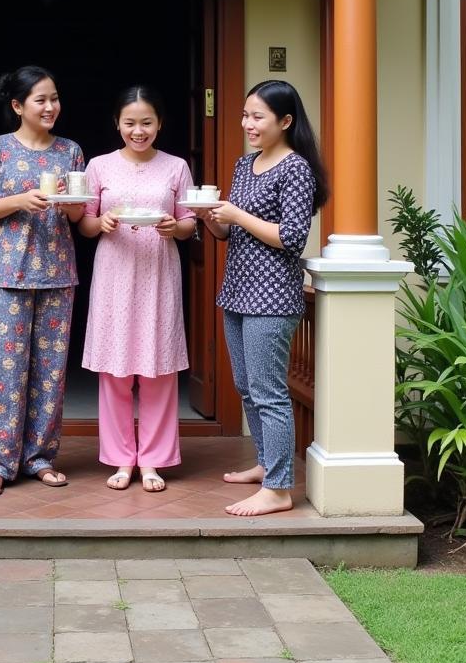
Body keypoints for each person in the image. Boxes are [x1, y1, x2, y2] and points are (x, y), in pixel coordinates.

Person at [197, 79, 328, 516]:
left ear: (285, 121)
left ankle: (278, 489)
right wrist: (212, 218)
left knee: (268, 390)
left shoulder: (296, 169)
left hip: (272, 297)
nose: (248, 124)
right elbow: (228, 232)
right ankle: (266, 465)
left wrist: (237, 213)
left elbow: (291, 238)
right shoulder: (243, 164)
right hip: (237, 291)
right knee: (245, 386)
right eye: (244, 115)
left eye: (258, 116)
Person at [0, 65, 86, 497]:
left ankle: (40, 458)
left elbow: (78, 213)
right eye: (41, 100)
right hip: (6, 276)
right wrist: (18, 200)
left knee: (50, 374)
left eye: (55, 98)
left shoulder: (70, 151)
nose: (51, 106)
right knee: (3, 373)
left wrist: (72, 204)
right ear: (18, 106)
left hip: (57, 275)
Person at [79, 86, 197, 492]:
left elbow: (188, 224)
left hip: (159, 274)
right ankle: (120, 459)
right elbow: (85, 224)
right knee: (114, 370)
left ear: (160, 123)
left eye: (147, 122)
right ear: (117, 124)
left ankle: (152, 460)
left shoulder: (176, 167)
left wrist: (173, 226)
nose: (138, 130)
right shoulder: (98, 166)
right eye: (130, 123)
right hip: (114, 274)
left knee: (159, 368)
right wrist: (103, 222)